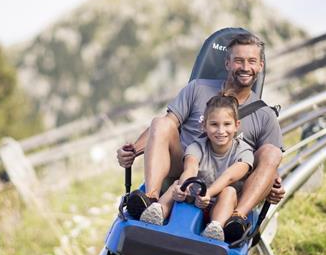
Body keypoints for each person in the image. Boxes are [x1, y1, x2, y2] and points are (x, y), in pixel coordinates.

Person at [117, 33, 285, 240]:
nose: (245, 67)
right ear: (227, 63)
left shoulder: (265, 115)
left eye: (251, 61)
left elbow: (271, 164)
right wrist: (133, 151)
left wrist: (272, 186)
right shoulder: (198, 88)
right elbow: (165, 125)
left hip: (228, 182)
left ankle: (236, 219)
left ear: (260, 66)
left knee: (272, 151)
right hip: (186, 165)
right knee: (160, 122)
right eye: (238, 60)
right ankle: (151, 198)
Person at [140, 94, 254, 242]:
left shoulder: (244, 152)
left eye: (227, 124)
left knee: (229, 191)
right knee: (177, 185)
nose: (220, 130)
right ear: (204, 126)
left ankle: (216, 227)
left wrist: (209, 194)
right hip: (194, 199)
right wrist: (183, 188)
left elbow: (229, 176)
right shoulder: (197, 146)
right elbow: (190, 168)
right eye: (214, 124)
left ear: (236, 125)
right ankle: (158, 211)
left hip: (219, 205)